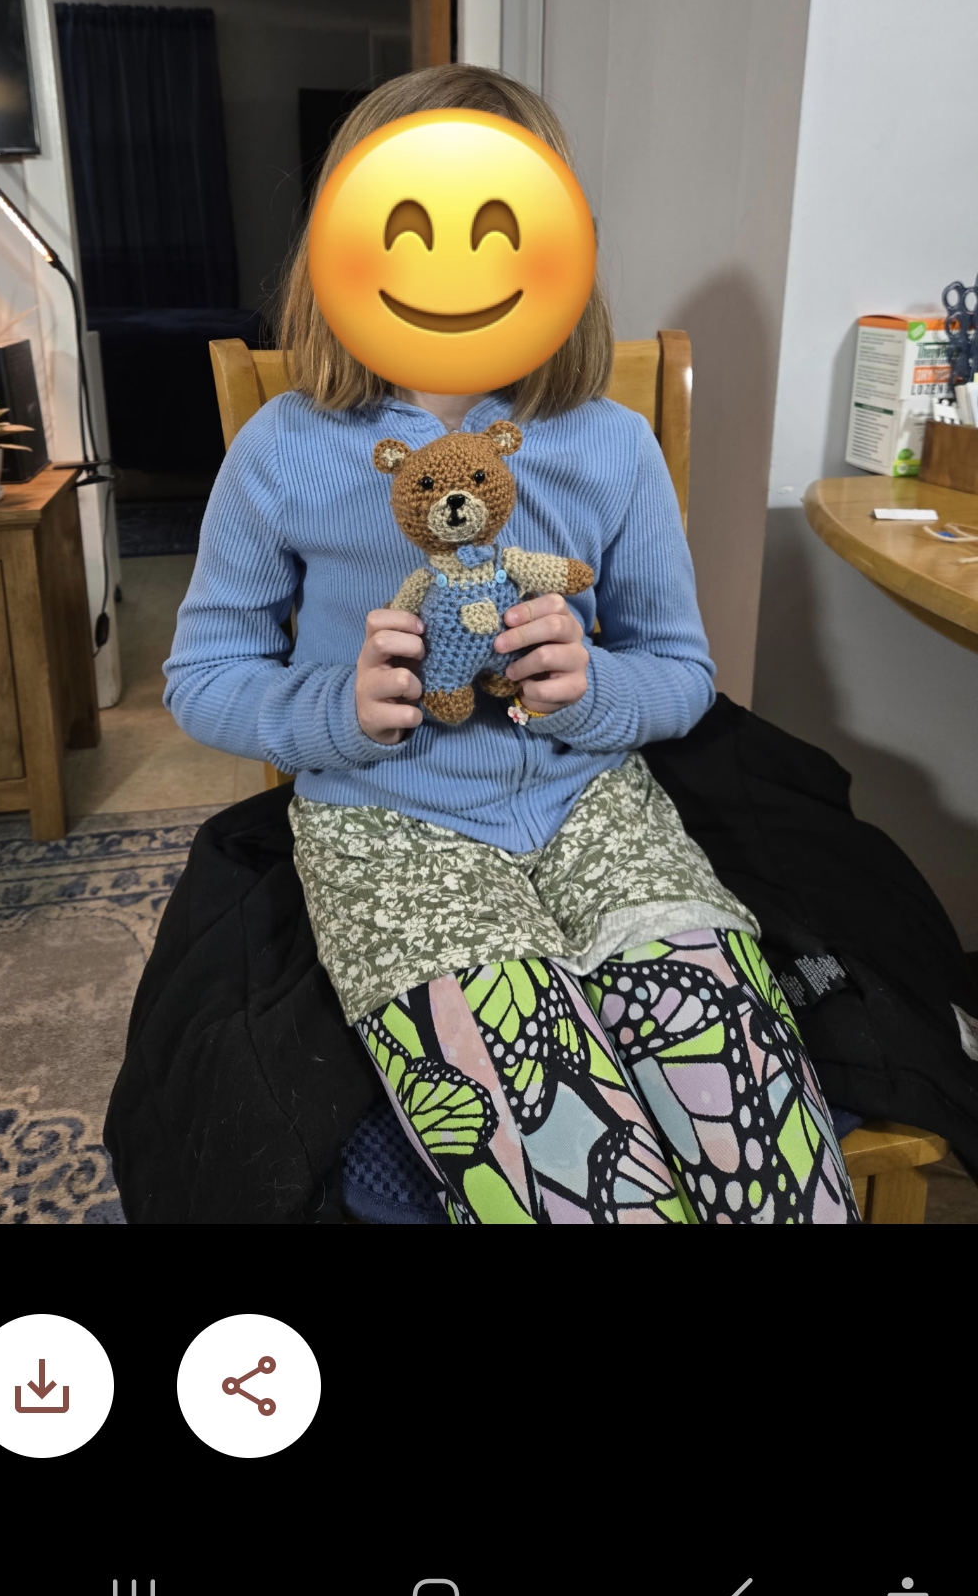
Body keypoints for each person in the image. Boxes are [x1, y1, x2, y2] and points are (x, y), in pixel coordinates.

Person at [164, 64, 860, 1225]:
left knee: (778, 1174)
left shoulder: (613, 445)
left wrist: (594, 687)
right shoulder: (283, 449)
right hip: (391, 840)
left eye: (495, 225)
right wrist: (337, 707)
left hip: (602, 820)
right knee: (595, 1193)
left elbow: (682, 673)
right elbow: (203, 676)